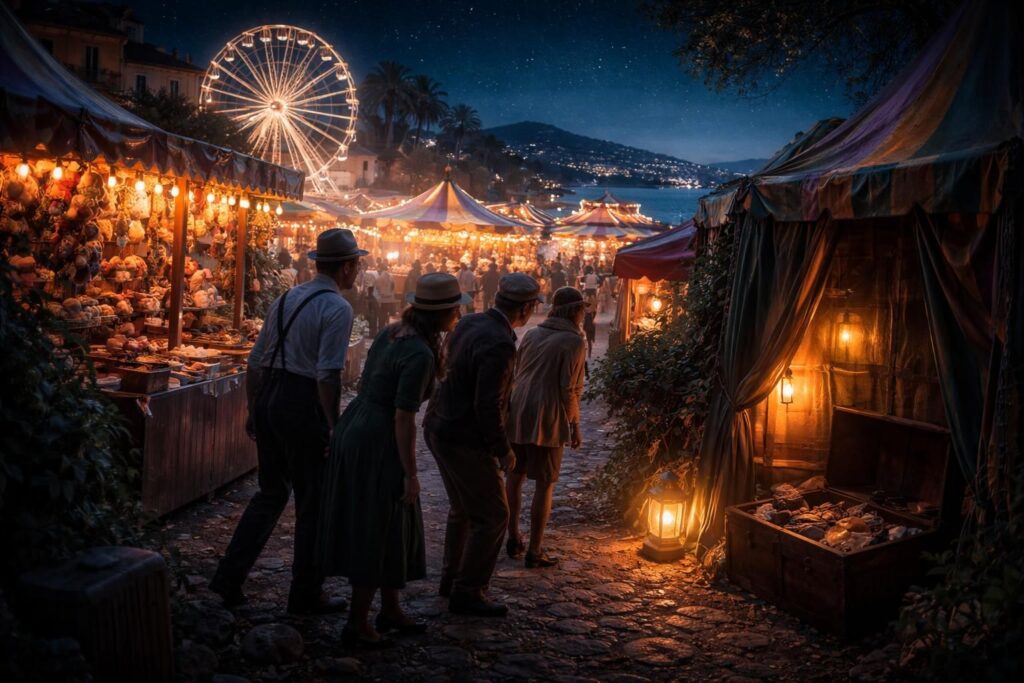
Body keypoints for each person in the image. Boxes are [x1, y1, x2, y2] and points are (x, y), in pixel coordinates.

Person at [210, 229, 366, 614]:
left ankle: (228, 579)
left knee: (270, 493)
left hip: (271, 398)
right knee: (312, 502)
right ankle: (305, 594)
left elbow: (255, 361)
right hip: (301, 404)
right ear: (347, 268)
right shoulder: (337, 308)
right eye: (357, 265)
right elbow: (327, 374)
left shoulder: (286, 298)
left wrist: (254, 407)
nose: (358, 272)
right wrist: (333, 424)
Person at [318, 273, 467, 648]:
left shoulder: (392, 332)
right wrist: (411, 473)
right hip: (377, 437)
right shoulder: (419, 353)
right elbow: (403, 417)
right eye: (456, 309)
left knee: (391, 522)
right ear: (444, 314)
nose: (459, 314)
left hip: (358, 423)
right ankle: (357, 622)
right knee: (377, 523)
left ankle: (390, 608)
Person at [424, 273, 543, 617]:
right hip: (463, 436)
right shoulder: (501, 343)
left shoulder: (471, 322)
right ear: (525, 309)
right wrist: (503, 449)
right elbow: (487, 404)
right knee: (493, 515)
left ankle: (451, 579)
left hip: (439, 426)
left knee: (463, 509)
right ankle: (468, 590)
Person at [505, 287, 587, 568]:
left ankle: (513, 535)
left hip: (519, 407)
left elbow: (517, 372)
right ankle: (535, 549)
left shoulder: (532, 333)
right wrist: (574, 425)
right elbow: (570, 389)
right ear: (575, 312)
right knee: (544, 483)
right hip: (547, 412)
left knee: (515, 475)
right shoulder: (573, 342)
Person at [375, 262, 397, 332]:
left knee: (382, 312)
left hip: (383, 298)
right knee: (387, 312)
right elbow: (393, 286)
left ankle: (381, 327)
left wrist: (381, 292)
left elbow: (377, 286)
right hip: (389, 297)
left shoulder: (380, 277)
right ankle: (386, 326)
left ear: (381, 269)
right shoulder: (390, 276)